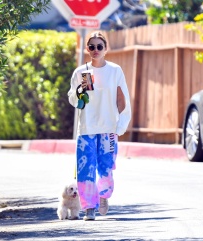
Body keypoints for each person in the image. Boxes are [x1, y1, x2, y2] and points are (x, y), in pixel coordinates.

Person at [68, 31, 131, 221]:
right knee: (85, 169)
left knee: (106, 167)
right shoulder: (83, 72)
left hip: (109, 129)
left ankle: (104, 195)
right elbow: (73, 97)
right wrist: (78, 97)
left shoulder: (115, 70)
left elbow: (123, 99)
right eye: (92, 47)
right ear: (87, 49)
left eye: (99, 47)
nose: (96, 50)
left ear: (106, 49)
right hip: (87, 127)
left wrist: (120, 126)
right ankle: (89, 208)